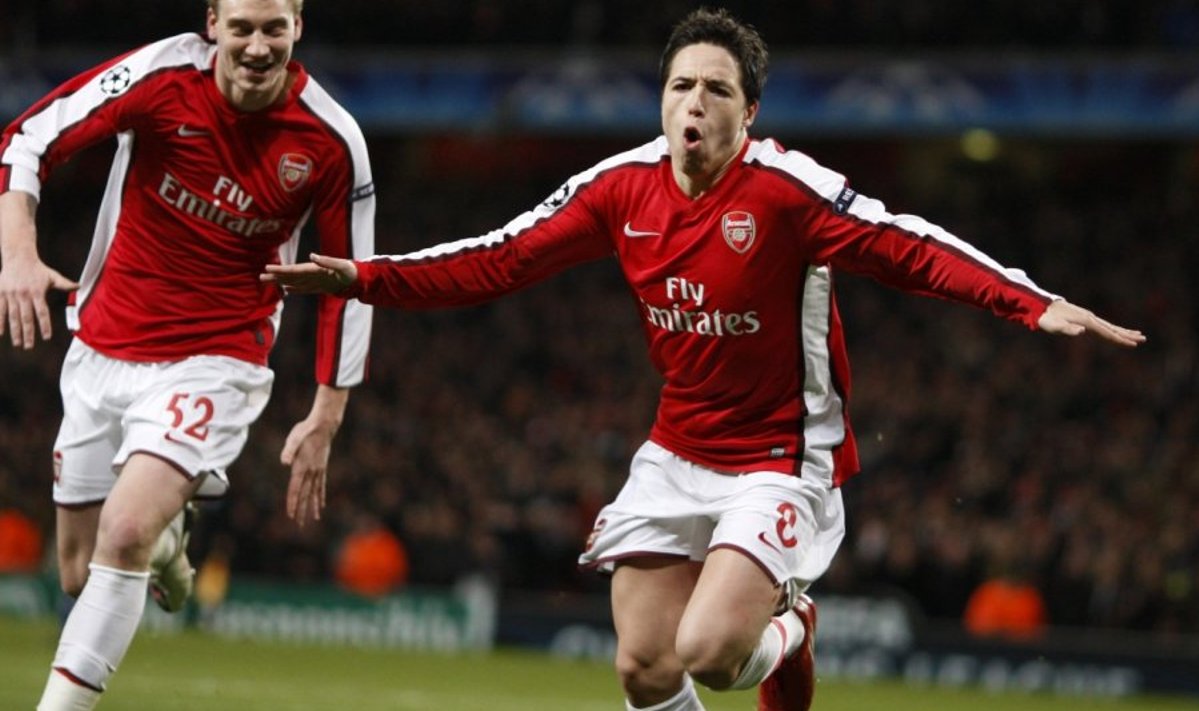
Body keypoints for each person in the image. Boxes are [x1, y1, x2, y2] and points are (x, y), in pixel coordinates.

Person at [264, 8, 1144, 711]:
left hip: (780, 460)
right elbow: (500, 256)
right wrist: (366, 276)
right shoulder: (620, 187)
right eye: (680, 85)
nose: (695, 103)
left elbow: (909, 245)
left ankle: (792, 624)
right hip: (678, 451)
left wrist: (1030, 302)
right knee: (645, 668)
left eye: (717, 90)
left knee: (710, 652)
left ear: (748, 111)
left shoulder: (789, 192)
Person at [0, 0, 375, 708]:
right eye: (242, 27)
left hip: (218, 359)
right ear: (213, 25)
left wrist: (327, 412)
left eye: (274, 28)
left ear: (299, 26)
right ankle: (171, 546)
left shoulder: (332, 139)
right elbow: (27, 138)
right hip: (103, 343)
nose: (258, 46)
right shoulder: (162, 76)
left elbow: (351, 282)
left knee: (126, 526)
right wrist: (17, 254)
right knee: (80, 570)